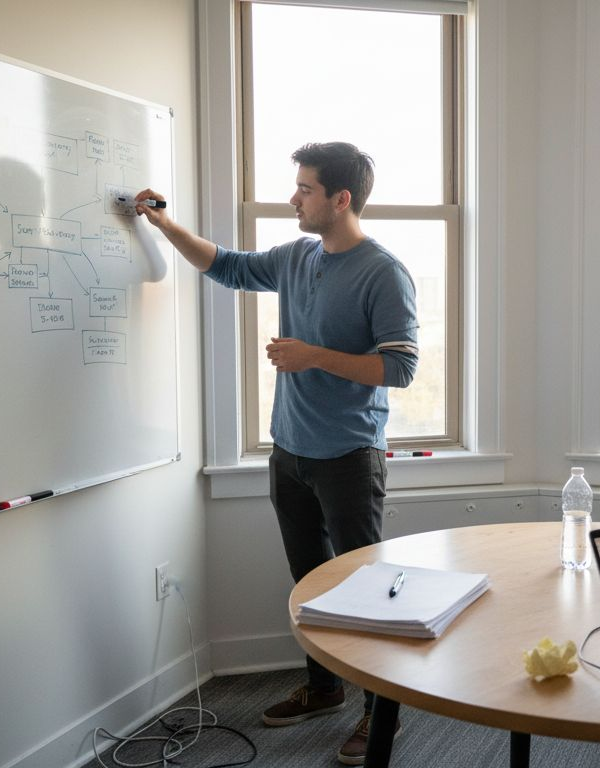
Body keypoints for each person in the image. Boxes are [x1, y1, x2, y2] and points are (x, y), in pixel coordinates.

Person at [134, 142, 418, 766]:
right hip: (288, 452)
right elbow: (229, 267)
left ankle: (381, 714)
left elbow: (399, 368)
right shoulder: (296, 257)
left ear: (341, 198)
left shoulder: (383, 272)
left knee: (366, 592)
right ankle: (324, 690)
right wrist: (164, 223)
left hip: (349, 457)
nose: (293, 198)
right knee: (309, 583)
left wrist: (312, 355)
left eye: (305, 189)